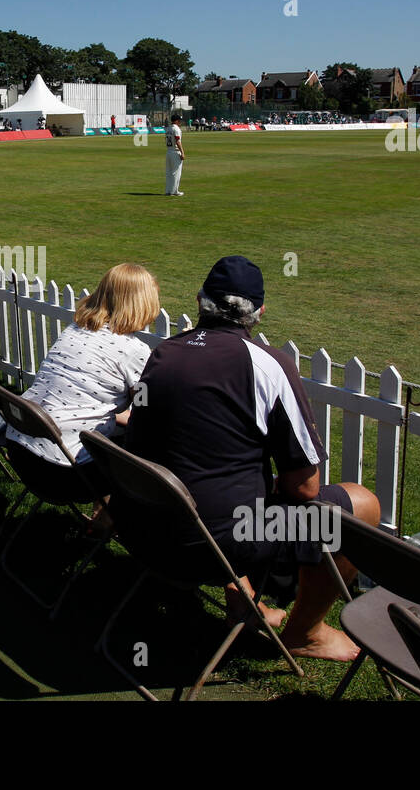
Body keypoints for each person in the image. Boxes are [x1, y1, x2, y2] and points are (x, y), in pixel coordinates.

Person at [126, 256, 381, 661]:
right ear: (260, 313)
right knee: (360, 505)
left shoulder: (164, 353)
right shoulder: (270, 364)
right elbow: (305, 487)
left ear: (199, 300)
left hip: (142, 528)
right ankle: (306, 631)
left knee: (232, 490)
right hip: (209, 544)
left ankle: (242, 599)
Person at [5, 263, 159, 466]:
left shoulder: (75, 329)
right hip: (61, 464)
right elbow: (143, 413)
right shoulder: (135, 351)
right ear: (145, 303)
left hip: (19, 444)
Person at [165, 113, 185, 196]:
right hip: (175, 151)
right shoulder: (176, 129)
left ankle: (168, 190)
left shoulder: (168, 129)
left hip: (169, 151)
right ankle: (174, 191)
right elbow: (177, 141)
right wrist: (182, 152)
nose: (180, 122)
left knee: (169, 172)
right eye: (179, 120)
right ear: (176, 121)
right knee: (176, 172)